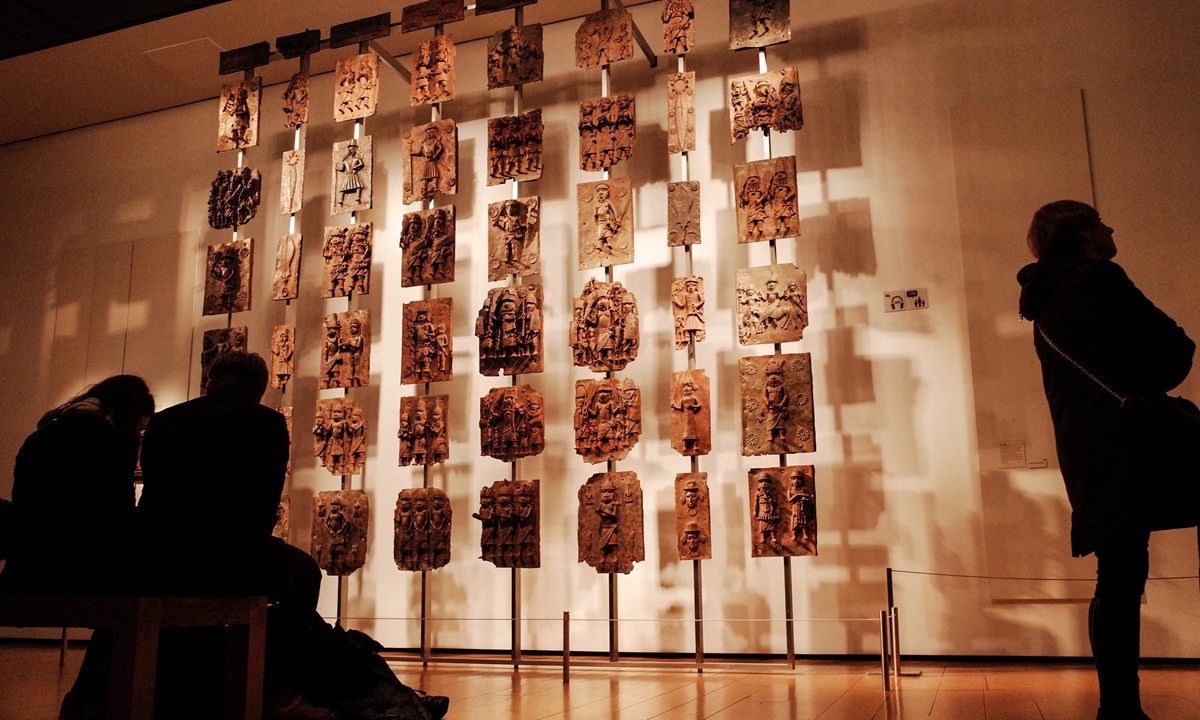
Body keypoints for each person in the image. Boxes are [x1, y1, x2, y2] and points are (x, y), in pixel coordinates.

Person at [1017, 200, 1197, 720]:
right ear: (1083, 236)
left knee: (1117, 574)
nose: (1111, 227)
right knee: (1121, 576)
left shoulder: (1043, 301)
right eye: (1100, 223)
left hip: (1089, 449)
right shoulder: (1098, 279)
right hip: (1138, 443)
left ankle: (1118, 708)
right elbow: (1173, 350)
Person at [137, 351, 328, 720]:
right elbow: (266, 503)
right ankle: (279, 694)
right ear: (259, 390)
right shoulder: (268, 423)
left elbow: (154, 488)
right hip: (232, 552)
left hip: (162, 554)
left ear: (210, 382)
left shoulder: (165, 421)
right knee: (305, 575)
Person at [0, 375, 155, 720]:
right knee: (141, 590)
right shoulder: (112, 442)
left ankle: (85, 697)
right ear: (131, 415)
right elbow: (115, 519)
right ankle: (89, 696)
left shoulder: (42, 435)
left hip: (25, 571)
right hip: (78, 573)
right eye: (141, 428)